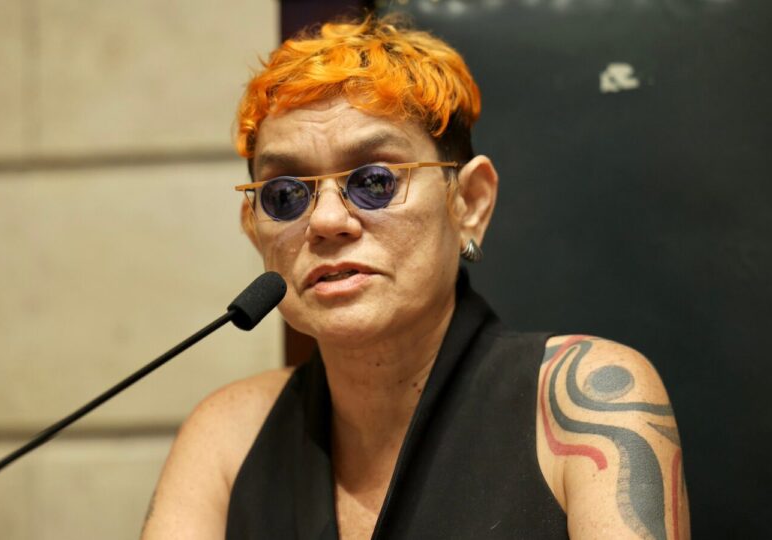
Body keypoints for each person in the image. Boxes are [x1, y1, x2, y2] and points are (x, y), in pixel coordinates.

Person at [142, 16, 689, 540]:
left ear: (469, 202)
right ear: (253, 227)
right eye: (286, 195)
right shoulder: (227, 434)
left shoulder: (587, 401)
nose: (326, 220)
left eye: (375, 181)